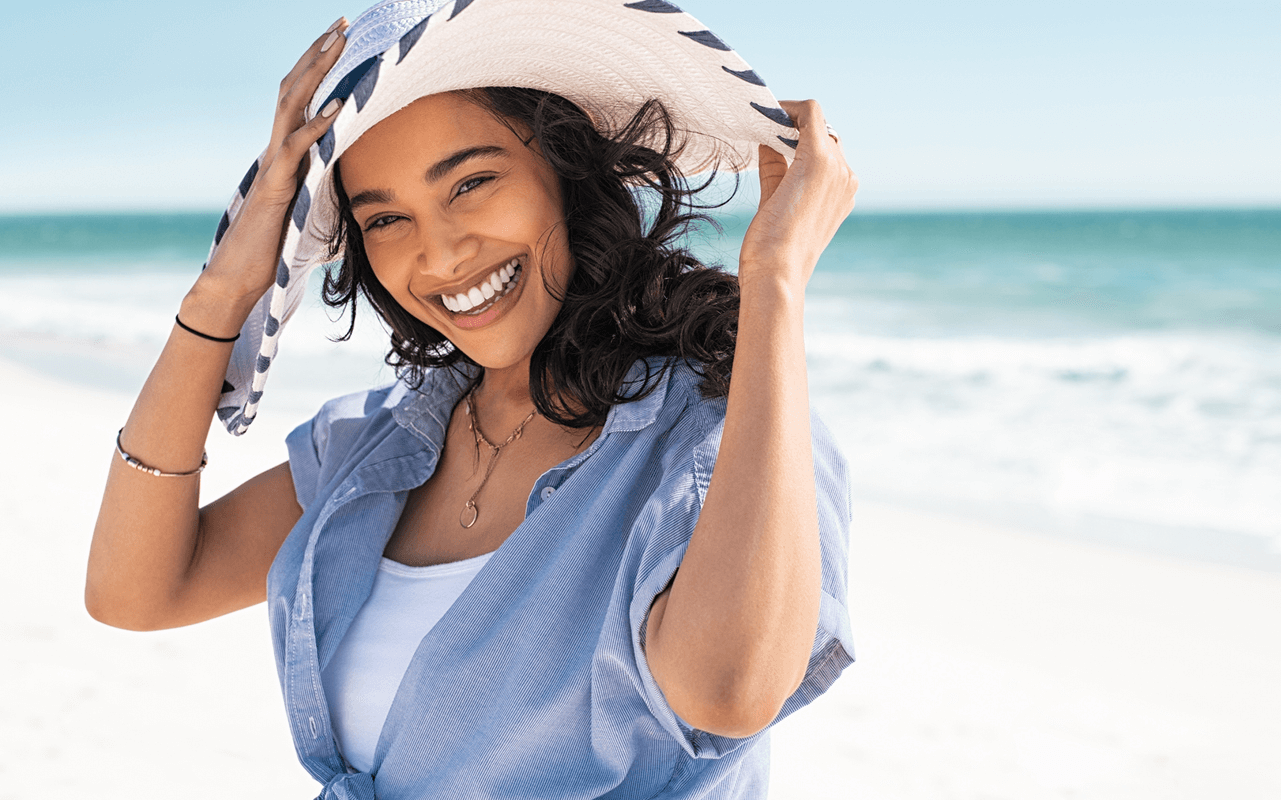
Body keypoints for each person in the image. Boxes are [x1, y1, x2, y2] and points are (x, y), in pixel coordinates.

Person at [83, 1, 857, 797]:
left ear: (566, 169)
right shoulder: (372, 448)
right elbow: (134, 591)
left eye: (472, 183)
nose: (442, 255)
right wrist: (225, 291)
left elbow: (729, 692)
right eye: (385, 219)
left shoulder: (721, 439)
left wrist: (775, 284)